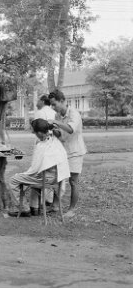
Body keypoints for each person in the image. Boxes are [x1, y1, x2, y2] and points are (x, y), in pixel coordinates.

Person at [7, 119, 70, 217]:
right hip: (58, 178)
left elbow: (35, 169)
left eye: (34, 132)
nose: (34, 134)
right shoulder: (55, 140)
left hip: (46, 179)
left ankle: (24, 209)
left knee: (14, 180)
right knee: (33, 179)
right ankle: (34, 208)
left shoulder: (42, 145)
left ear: (40, 133)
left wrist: (25, 174)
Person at [48, 89, 87, 218]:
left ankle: (71, 210)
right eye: (51, 105)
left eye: (54, 104)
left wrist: (57, 123)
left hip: (75, 151)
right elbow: (61, 134)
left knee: (73, 181)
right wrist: (53, 131)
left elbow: (70, 130)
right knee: (59, 178)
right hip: (63, 151)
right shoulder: (57, 115)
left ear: (62, 101)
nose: (53, 108)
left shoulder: (74, 114)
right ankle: (55, 205)